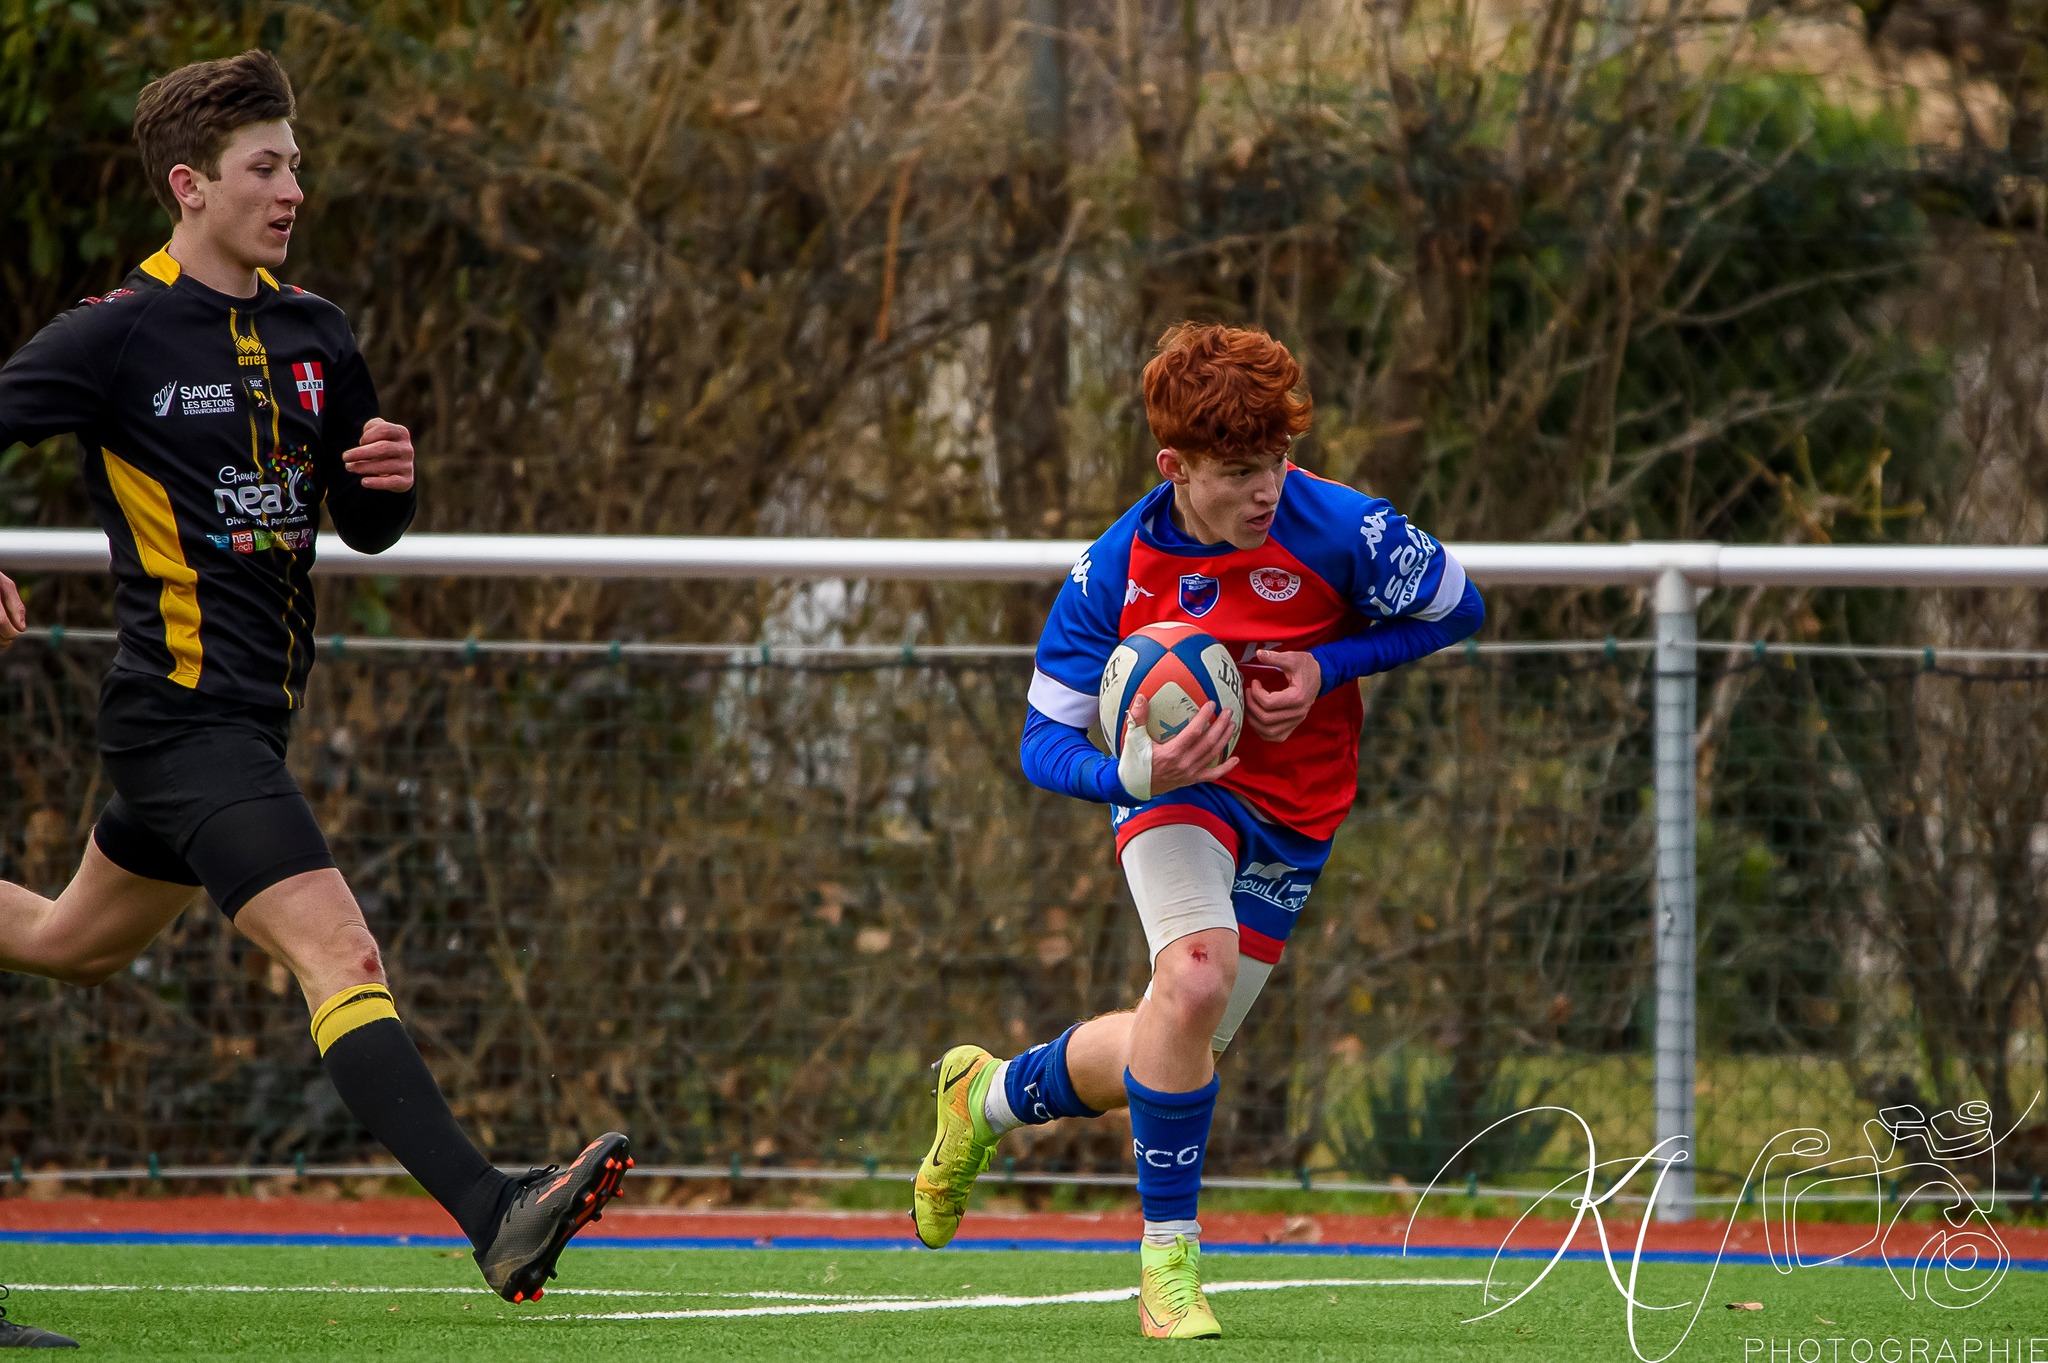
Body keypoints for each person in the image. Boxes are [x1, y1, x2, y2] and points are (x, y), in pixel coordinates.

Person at [0, 51, 629, 1338]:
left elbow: (361, 520)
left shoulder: (316, 331)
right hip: (178, 720)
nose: (292, 187)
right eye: (265, 168)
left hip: (240, 722)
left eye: (295, 164)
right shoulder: (117, 330)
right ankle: (491, 1207)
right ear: (191, 186)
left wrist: (385, 490)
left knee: (73, 942)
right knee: (340, 952)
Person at [910, 322, 1485, 1339]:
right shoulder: (1112, 570)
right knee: (1192, 976)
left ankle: (986, 1097)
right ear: (1174, 467)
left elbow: (1458, 607)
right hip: (1176, 797)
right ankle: (1166, 1266)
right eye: (1235, 472)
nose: (1265, 490)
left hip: (1298, 812)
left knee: (1178, 1037)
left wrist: (1328, 668)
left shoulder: (1346, 530)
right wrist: (1128, 772)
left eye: (1274, 464)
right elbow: (1041, 741)